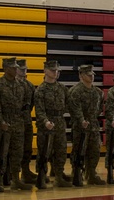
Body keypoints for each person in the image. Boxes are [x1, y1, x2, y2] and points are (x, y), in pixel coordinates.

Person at [0, 57, 31, 191]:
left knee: (17, 152)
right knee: (2, 152)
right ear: (5, 69)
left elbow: (26, 103)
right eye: (13, 68)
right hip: (4, 122)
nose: (16, 70)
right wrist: (0, 121)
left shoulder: (21, 85)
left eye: (16, 67)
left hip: (18, 121)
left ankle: (16, 179)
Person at [34, 59, 73, 188]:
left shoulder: (62, 88)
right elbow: (39, 110)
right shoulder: (41, 90)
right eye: (53, 70)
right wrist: (45, 122)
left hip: (59, 122)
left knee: (61, 150)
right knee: (45, 152)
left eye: (57, 71)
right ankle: (42, 175)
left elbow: (69, 104)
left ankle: (59, 175)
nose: (56, 73)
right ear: (45, 71)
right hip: (46, 124)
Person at [67, 64, 104, 187]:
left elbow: (99, 109)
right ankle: (76, 172)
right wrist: (82, 119)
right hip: (80, 127)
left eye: (92, 75)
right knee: (78, 150)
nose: (92, 77)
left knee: (94, 151)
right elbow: (74, 109)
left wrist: (91, 119)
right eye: (89, 75)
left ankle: (91, 174)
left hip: (93, 126)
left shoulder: (97, 92)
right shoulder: (75, 91)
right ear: (82, 75)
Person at [16, 58, 37, 183]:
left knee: (27, 147)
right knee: (13, 149)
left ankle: (25, 170)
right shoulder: (11, 84)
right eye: (21, 69)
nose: (24, 71)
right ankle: (10, 174)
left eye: (25, 69)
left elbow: (32, 103)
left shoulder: (29, 85)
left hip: (26, 120)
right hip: (14, 121)